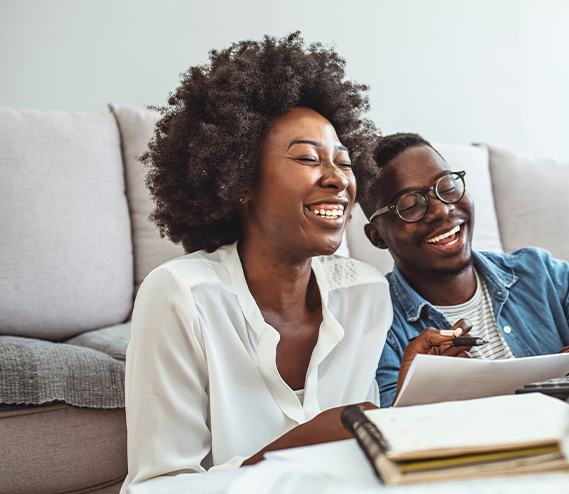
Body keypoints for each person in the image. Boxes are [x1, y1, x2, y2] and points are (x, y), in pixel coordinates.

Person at [121, 33, 392, 491]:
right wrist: (290, 449)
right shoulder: (181, 295)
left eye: (345, 163)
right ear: (241, 179)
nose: (337, 179)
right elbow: (156, 485)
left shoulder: (365, 294)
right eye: (308, 158)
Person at [353, 133, 569, 407]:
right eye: (410, 205)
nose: (441, 210)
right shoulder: (374, 320)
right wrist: (551, 387)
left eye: (447, 186)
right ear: (377, 235)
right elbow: (391, 429)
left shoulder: (541, 274)